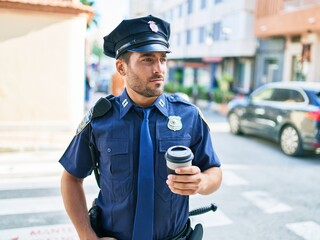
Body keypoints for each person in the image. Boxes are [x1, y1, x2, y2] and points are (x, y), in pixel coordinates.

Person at [59, 15, 222, 240]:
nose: (159, 69)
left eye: (162, 59)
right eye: (147, 59)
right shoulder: (100, 120)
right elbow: (71, 178)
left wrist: (201, 182)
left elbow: (214, 171)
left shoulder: (188, 115)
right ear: (121, 67)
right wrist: (88, 236)